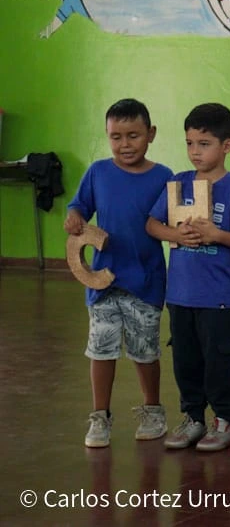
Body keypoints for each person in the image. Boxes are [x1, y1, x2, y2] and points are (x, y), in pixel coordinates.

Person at [146, 103, 230, 452]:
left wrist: (217, 235)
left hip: (216, 298)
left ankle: (223, 422)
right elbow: (152, 225)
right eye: (190, 143)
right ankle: (193, 418)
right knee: (185, 360)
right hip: (179, 296)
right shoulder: (178, 184)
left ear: (226, 146)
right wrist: (175, 236)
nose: (196, 151)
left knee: (218, 361)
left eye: (205, 143)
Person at [64, 98, 173, 448]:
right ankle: (100, 417)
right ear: (107, 136)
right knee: (101, 348)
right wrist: (74, 216)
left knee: (145, 351)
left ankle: (153, 409)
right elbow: (78, 206)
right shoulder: (97, 172)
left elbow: (174, 221)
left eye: (133, 135)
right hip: (102, 281)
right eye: (116, 137)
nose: (125, 144)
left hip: (146, 281)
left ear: (151, 134)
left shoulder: (164, 177)